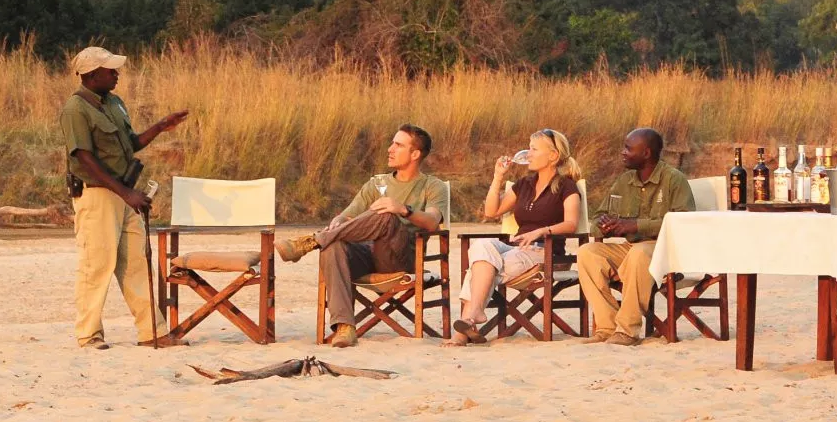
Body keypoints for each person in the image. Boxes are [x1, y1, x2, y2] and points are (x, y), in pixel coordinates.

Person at [62, 46, 191, 350]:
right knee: (97, 264)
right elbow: (83, 156)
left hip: (124, 193)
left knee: (137, 262)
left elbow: (130, 144)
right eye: (110, 70)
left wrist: (161, 126)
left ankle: (152, 332)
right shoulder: (75, 109)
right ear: (92, 75)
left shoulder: (114, 103)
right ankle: (89, 334)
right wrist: (126, 193)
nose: (116, 74)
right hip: (98, 195)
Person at [278, 124, 449, 348]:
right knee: (334, 246)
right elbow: (346, 217)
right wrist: (336, 225)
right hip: (367, 256)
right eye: (392, 143)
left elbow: (433, 220)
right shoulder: (376, 183)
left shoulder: (432, 186)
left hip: (402, 260)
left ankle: (312, 241)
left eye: (398, 145)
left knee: (387, 216)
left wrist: (403, 210)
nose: (390, 149)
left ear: (415, 154)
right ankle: (345, 327)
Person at [449, 129, 585, 346]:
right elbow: (491, 212)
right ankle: (473, 314)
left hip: (544, 252)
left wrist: (543, 230)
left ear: (553, 156)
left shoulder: (566, 186)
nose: (528, 154)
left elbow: (571, 223)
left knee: (478, 268)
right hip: (515, 248)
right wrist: (498, 178)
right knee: (481, 246)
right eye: (528, 148)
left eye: (533, 149)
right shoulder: (524, 184)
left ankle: (467, 323)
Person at [574, 128, 695, 345]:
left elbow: (683, 223)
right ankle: (607, 326)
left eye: (628, 149)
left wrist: (635, 225)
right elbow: (598, 217)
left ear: (646, 153)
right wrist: (604, 226)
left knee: (639, 253)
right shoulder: (624, 181)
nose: (622, 152)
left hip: (663, 251)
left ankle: (628, 330)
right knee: (587, 252)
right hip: (631, 250)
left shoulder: (674, 180)